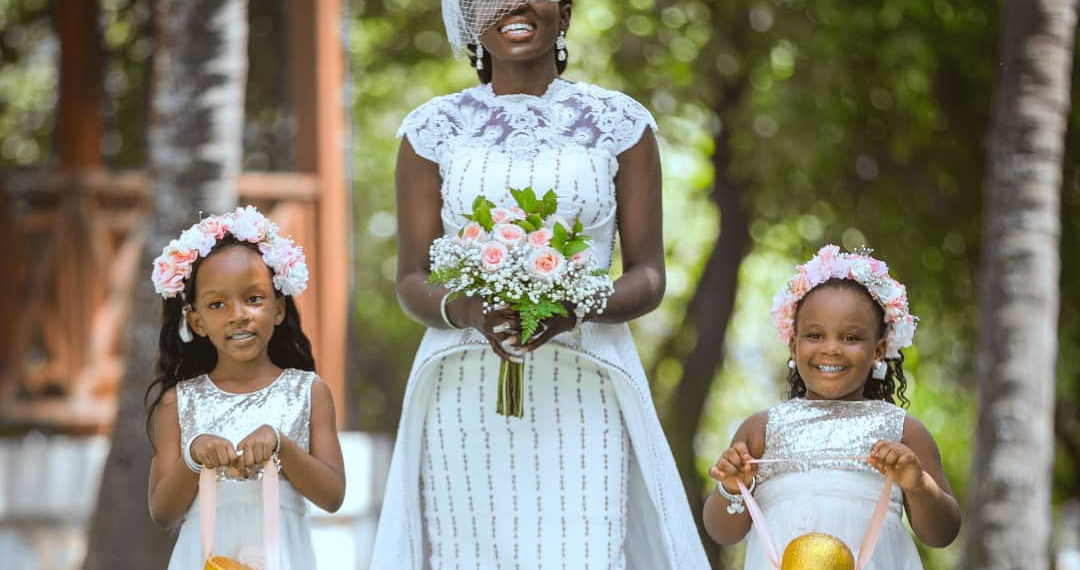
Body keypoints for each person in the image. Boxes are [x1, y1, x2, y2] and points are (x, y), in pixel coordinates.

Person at [370, 1, 709, 568]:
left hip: (588, 381)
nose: (517, 6)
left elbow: (648, 275)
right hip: (464, 388)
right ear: (472, 20)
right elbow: (411, 279)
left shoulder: (621, 124)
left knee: (583, 547)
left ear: (566, 12)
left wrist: (575, 305)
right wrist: (472, 312)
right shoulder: (430, 130)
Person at [703, 245, 962, 569]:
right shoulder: (760, 431)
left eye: (851, 338)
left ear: (879, 350)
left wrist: (917, 484)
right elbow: (722, 532)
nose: (831, 349)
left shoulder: (903, 432)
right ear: (794, 346)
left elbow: (943, 533)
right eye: (815, 335)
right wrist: (732, 486)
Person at [145, 206, 346, 570]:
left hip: (282, 557)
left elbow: (332, 496)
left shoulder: (309, 392)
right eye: (217, 304)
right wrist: (193, 457)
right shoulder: (179, 402)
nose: (238, 314)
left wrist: (282, 444)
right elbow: (162, 512)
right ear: (197, 321)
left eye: (253, 299)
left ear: (279, 308)